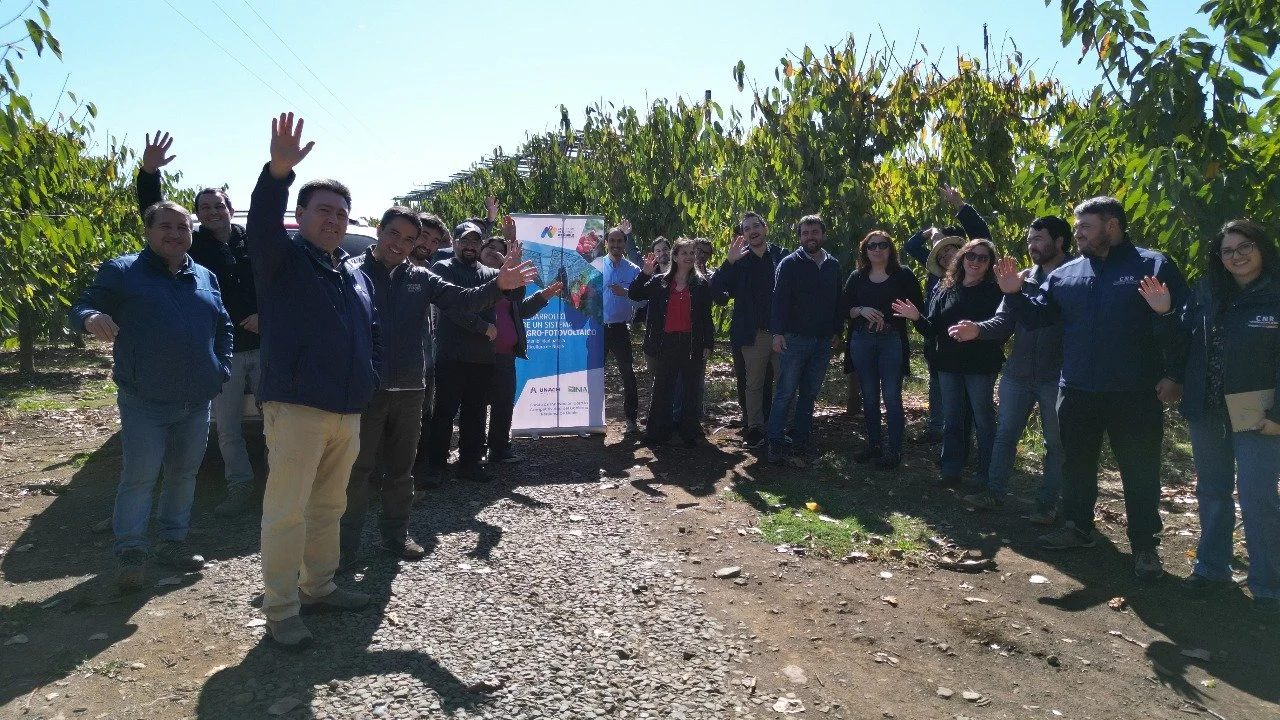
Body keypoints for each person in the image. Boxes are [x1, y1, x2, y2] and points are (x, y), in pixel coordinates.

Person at [248, 113, 535, 648]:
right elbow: (263, 225)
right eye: (324, 211)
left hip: (347, 407)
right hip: (297, 405)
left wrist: (499, 285)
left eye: (341, 213)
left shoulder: (345, 273)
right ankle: (282, 609)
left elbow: (381, 332)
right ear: (300, 215)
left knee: (329, 504)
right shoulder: (284, 262)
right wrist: (277, 174)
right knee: (287, 511)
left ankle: (319, 585)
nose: (334, 220)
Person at [995, 195, 1189, 582]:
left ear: (1111, 226)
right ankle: (1077, 528)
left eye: (1085, 226)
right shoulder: (1066, 274)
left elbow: (1184, 323)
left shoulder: (1152, 266)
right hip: (1077, 389)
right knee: (1076, 464)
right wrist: (1013, 293)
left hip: (1134, 392)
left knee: (1139, 469)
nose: (1078, 233)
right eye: (1077, 227)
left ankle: (1145, 546)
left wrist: (1174, 373)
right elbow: (1038, 318)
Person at [71, 200, 233, 591]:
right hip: (145, 400)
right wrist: (91, 317)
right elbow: (82, 306)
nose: (175, 234)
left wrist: (220, 368)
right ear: (148, 231)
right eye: (166, 226)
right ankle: (131, 549)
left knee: (183, 474)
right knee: (140, 476)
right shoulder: (124, 271)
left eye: (183, 227)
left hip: (195, 400)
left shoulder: (204, 276)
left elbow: (223, 326)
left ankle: (172, 541)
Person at [339, 208, 516, 567]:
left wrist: (498, 285)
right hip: (366, 390)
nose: (400, 244)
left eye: (409, 239)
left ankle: (394, 536)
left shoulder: (421, 277)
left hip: (410, 389)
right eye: (394, 234)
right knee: (357, 470)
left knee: (401, 471)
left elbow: (463, 300)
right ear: (379, 230)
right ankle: (344, 547)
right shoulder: (350, 271)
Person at [1142, 219, 1280, 616]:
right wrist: (1165, 313)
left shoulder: (1275, 294)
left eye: (1244, 246)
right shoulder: (1207, 291)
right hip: (1207, 406)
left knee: (1257, 496)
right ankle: (1212, 568)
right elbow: (1183, 342)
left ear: (1261, 247)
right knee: (1213, 492)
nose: (1237, 256)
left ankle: (1268, 586)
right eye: (1227, 251)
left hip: (1256, 409)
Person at [135, 132, 261, 517]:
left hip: (268, 347)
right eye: (204, 208)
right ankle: (241, 488)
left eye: (218, 205)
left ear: (230, 208)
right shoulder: (192, 246)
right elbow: (155, 213)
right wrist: (149, 172)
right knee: (228, 430)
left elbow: (282, 283)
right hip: (222, 352)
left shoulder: (255, 241)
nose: (212, 212)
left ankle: (282, 487)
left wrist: (268, 316)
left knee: (280, 423)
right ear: (198, 215)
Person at [952, 217, 1073, 518]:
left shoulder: (1076, 277)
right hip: (1018, 374)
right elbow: (1003, 321)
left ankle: (1048, 505)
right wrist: (977, 329)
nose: (1032, 245)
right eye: (1030, 239)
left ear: (1059, 241)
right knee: (1005, 435)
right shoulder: (1023, 279)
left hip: (1057, 376)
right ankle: (994, 494)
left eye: (1039, 239)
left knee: (1056, 443)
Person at [893, 239, 1003, 486]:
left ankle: (987, 473)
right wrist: (916, 317)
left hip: (981, 365)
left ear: (989, 264)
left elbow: (1003, 329)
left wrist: (977, 333)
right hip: (949, 364)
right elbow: (932, 329)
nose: (975, 261)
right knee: (952, 419)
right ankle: (951, 470)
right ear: (962, 258)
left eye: (983, 258)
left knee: (983, 420)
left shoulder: (994, 291)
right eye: (971, 256)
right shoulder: (946, 289)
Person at [903, 185, 991, 443]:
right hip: (936, 336)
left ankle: (971, 440)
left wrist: (960, 206)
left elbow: (982, 237)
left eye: (949, 250)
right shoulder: (937, 273)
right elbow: (911, 245)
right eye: (940, 254)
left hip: (970, 344)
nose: (944, 256)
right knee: (938, 383)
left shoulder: (977, 272)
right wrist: (930, 233)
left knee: (972, 397)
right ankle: (936, 429)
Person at [424, 221, 502, 483]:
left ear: (481, 245)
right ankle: (436, 465)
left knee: (476, 412)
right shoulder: (442, 268)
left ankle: (470, 463)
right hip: (451, 355)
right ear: (455, 243)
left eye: (474, 241)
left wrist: (508, 266)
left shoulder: (490, 273)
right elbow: (452, 309)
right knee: (444, 411)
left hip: (482, 357)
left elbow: (514, 294)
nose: (469, 246)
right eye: (464, 241)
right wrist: (482, 327)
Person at [766, 215, 844, 468]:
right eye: (805, 233)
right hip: (795, 339)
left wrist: (837, 330)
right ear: (799, 237)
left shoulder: (832, 265)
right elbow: (778, 300)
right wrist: (777, 333)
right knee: (785, 392)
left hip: (822, 341)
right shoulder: (790, 263)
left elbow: (837, 300)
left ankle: (800, 438)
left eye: (815, 232)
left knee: (809, 393)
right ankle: (775, 441)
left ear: (823, 234)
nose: (810, 237)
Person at [842, 230, 924, 470]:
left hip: (891, 340)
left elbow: (917, 307)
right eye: (872, 246)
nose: (877, 249)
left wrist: (889, 317)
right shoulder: (857, 277)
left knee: (891, 396)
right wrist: (861, 310)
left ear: (890, 249)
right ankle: (874, 445)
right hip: (862, 340)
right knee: (869, 396)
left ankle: (894, 450)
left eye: (882, 245)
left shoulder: (903, 275)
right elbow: (844, 307)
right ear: (865, 251)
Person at [481, 226, 563, 462]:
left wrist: (543, 296)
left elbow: (521, 310)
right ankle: (474, 451)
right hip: (477, 354)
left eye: (500, 250)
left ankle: (499, 449)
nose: (495, 252)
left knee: (503, 405)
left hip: (506, 354)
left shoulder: (511, 284)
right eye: (490, 247)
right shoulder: (473, 278)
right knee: (476, 403)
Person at [629, 238, 715, 447]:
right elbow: (634, 294)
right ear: (675, 257)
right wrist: (645, 273)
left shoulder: (701, 284)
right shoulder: (660, 282)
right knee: (662, 388)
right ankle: (657, 432)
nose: (689, 257)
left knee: (690, 389)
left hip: (691, 342)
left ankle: (688, 432)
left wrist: (708, 343)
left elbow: (706, 317)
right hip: (665, 343)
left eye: (692, 253)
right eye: (684, 253)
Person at [713, 213, 785, 449]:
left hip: (782, 332)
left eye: (756, 226)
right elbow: (717, 293)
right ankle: (755, 428)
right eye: (747, 228)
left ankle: (780, 427)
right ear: (743, 234)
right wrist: (728, 262)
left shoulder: (782, 256)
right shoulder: (739, 261)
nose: (752, 231)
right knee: (754, 383)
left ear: (765, 228)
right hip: (754, 334)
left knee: (785, 382)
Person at [410, 212, 448, 494]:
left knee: (423, 417)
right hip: (393, 367)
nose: (428, 244)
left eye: (435, 241)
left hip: (427, 362)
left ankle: (415, 473)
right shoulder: (382, 270)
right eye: (424, 236)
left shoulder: (429, 273)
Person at [594, 224, 644, 434]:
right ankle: (593, 420)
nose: (616, 245)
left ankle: (631, 419)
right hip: (596, 329)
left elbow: (643, 301)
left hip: (619, 330)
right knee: (594, 375)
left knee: (628, 375)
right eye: (612, 241)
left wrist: (627, 293)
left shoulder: (634, 270)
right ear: (606, 243)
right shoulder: (595, 266)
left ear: (624, 243)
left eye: (620, 241)